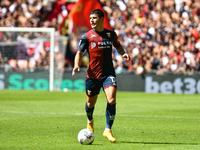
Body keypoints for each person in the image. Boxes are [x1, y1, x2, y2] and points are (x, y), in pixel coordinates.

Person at [72, 9, 130, 143]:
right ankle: (90, 120)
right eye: (90, 18)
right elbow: (79, 53)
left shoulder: (110, 34)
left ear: (101, 19)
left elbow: (118, 46)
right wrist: (76, 64)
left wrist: (123, 53)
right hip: (93, 75)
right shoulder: (87, 36)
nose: (91, 20)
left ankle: (108, 130)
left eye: (94, 18)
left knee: (112, 99)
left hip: (108, 73)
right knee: (90, 104)